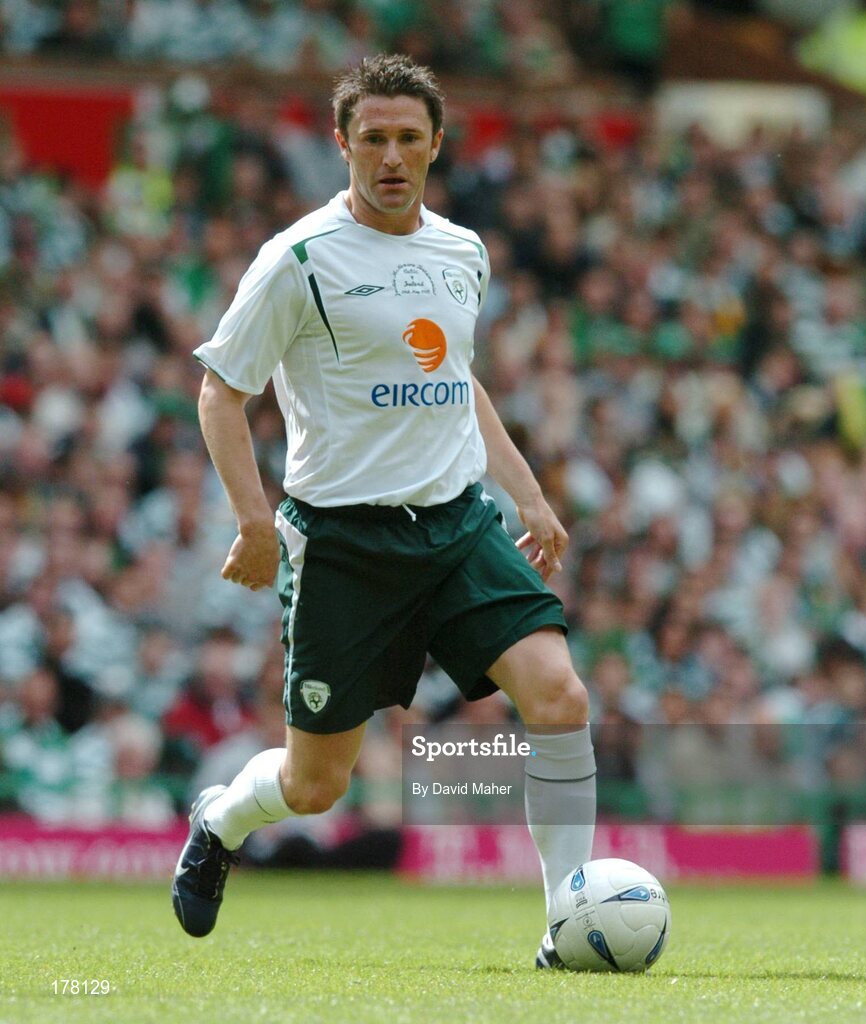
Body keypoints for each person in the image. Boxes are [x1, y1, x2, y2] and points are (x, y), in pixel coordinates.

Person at [171, 53, 596, 968]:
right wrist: (254, 520)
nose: (392, 156)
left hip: (457, 526)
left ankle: (571, 919)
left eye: (410, 138)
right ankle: (220, 818)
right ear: (343, 144)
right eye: (374, 138)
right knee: (316, 784)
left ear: (437, 144)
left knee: (561, 697)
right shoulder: (298, 260)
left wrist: (524, 490)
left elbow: (454, 380)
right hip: (345, 544)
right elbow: (219, 393)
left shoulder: (462, 253)